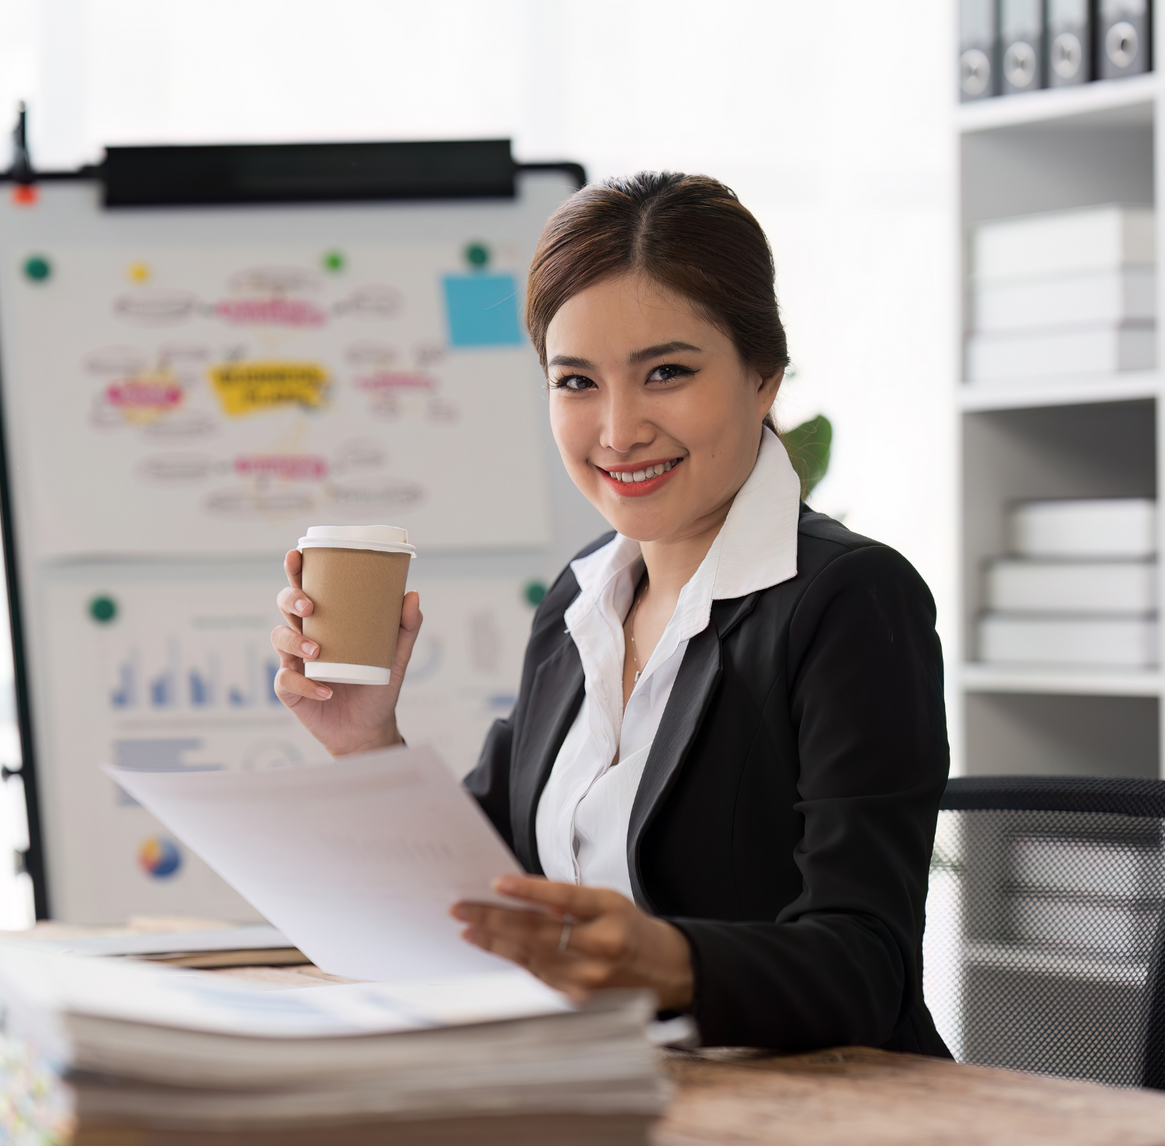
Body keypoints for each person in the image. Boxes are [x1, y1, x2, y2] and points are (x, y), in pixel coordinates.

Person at [272, 172, 950, 1055]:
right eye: (577, 382)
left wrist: (669, 963)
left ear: (763, 376)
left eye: (666, 372)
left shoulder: (848, 601)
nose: (618, 430)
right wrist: (366, 743)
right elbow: (488, 888)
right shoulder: (581, 598)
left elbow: (868, 967)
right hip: (605, 1094)